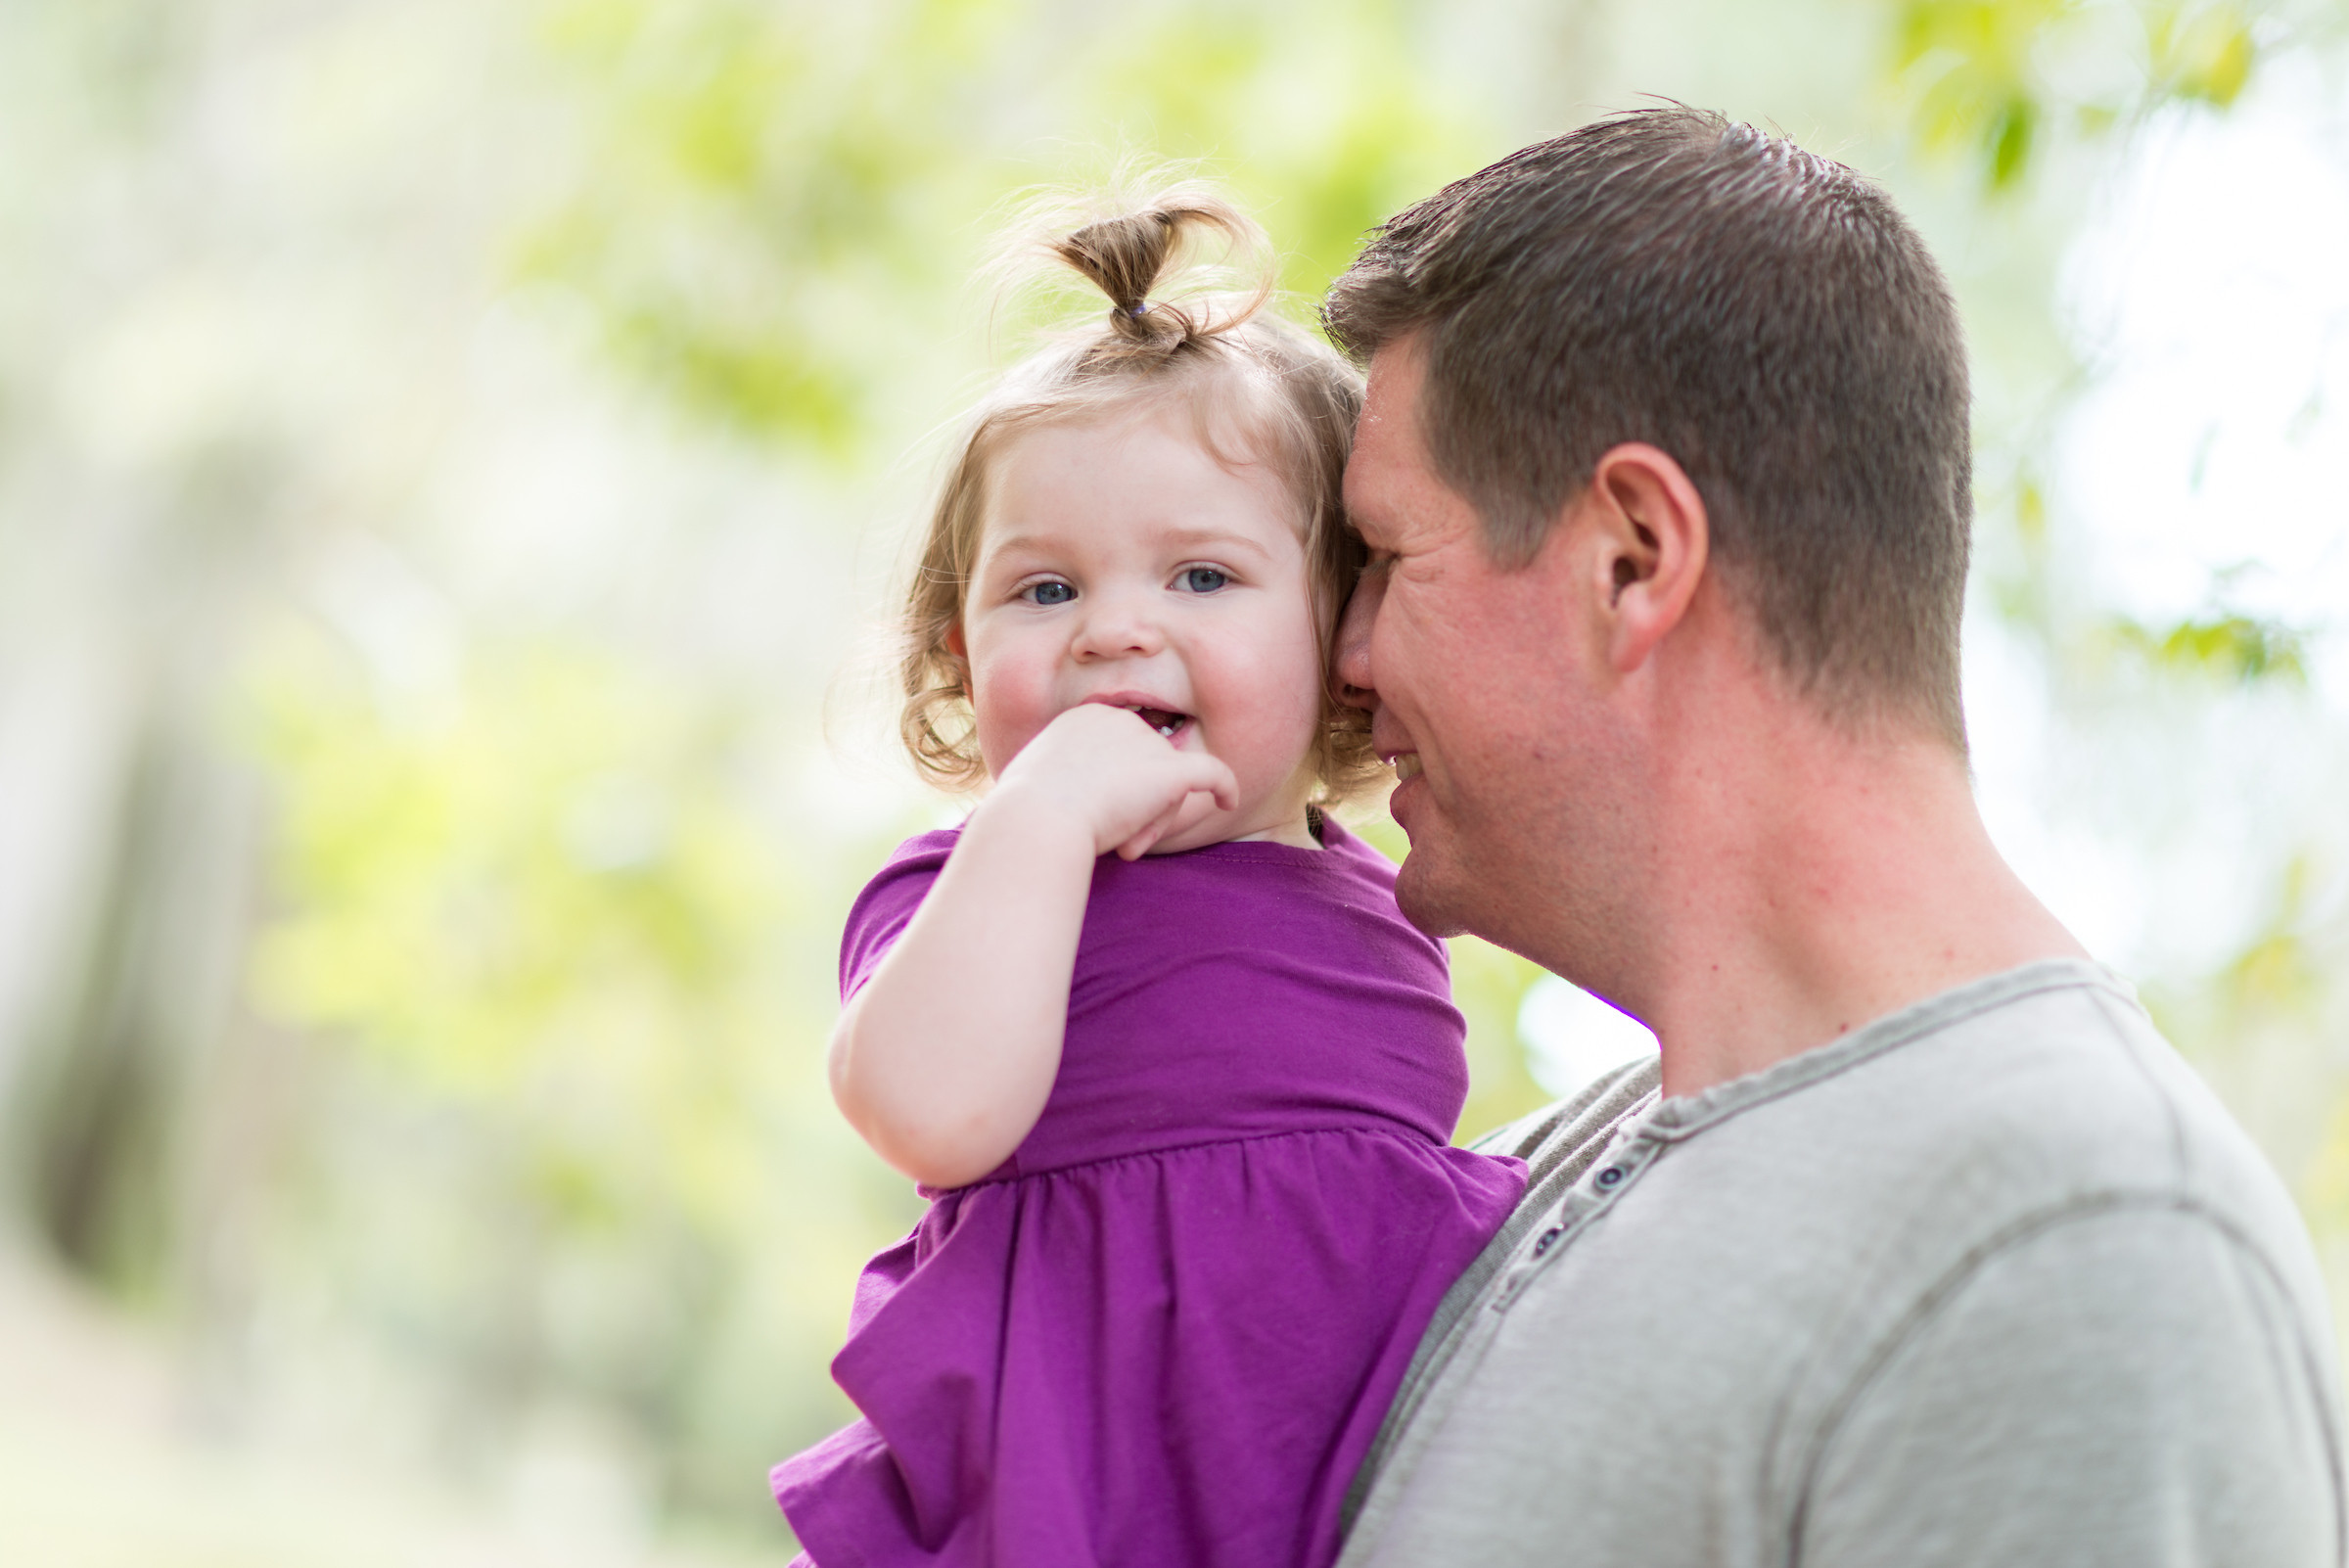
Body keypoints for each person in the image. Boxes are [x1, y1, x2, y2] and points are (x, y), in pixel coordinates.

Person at [1319, 104, 2347, 1566]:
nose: (1345, 656)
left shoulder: (2080, 1242)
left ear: (1634, 558)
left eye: (1385, 558)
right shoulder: (1552, 1169)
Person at [769, 189, 1526, 1568]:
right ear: (959, 641)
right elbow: (931, 1113)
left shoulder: (1393, 909)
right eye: (1043, 591)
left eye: (1199, 575)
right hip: (1068, 1498)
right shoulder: (972, 883)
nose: (1115, 628)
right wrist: (1043, 815)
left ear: (1339, 631)